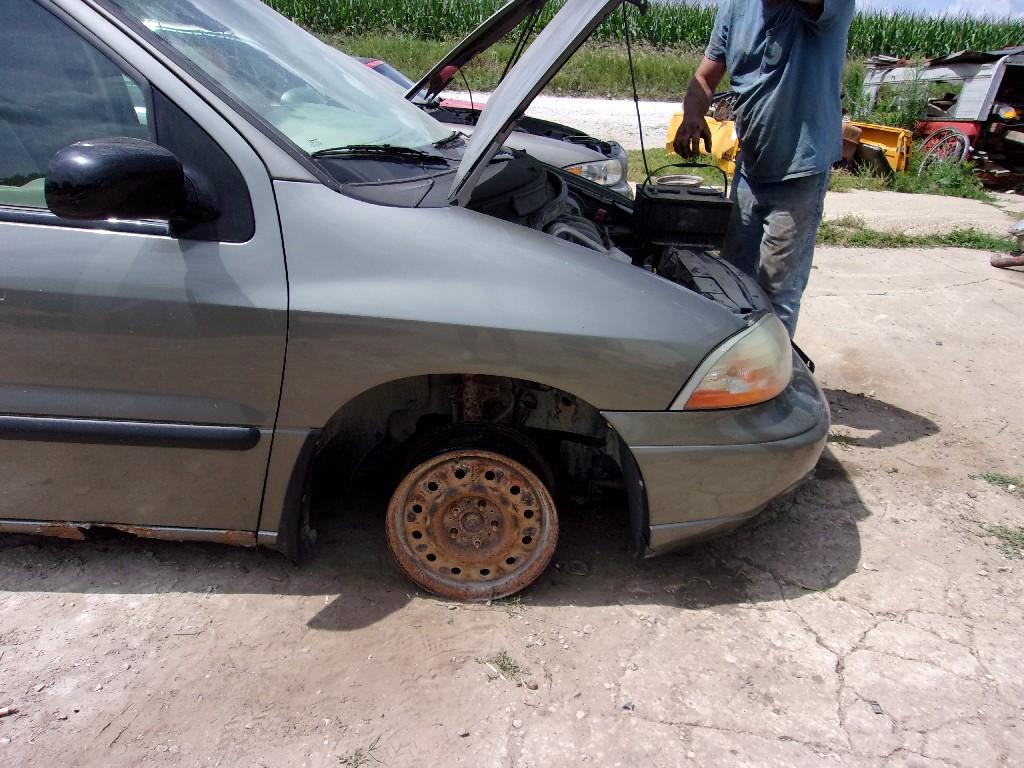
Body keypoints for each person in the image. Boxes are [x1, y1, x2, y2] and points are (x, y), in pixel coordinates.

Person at [673, 0, 855, 338]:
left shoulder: (830, 6)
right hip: (750, 167)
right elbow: (704, 77)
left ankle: (775, 370)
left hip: (800, 171)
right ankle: (737, 363)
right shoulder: (736, 8)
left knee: (776, 293)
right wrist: (693, 115)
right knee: (732, 283)